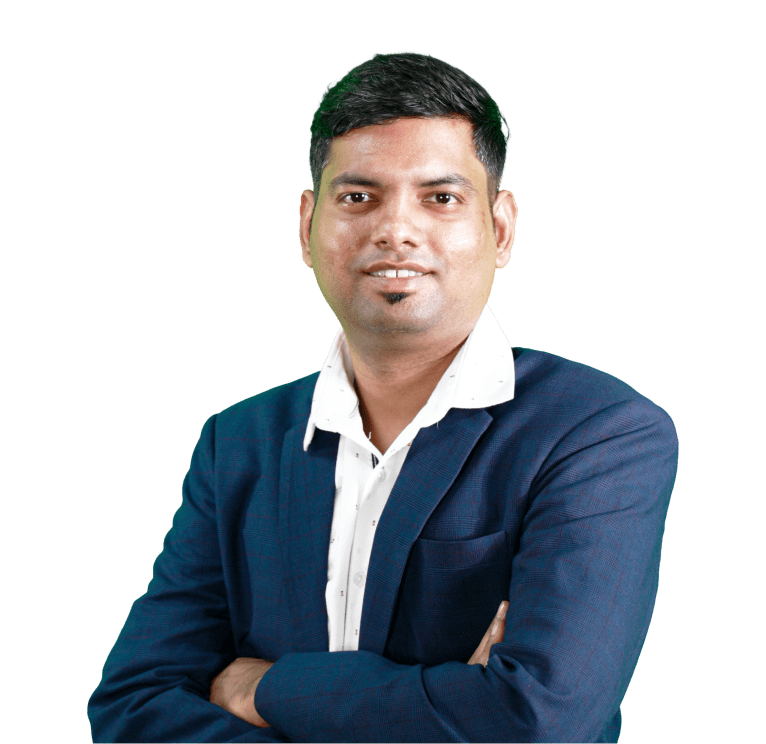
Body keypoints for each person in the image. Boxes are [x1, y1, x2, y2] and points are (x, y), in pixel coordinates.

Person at [88, 52, 678, 743]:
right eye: (358, 197)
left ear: (501, 229)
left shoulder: (598, 435)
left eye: (441, 198)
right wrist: (452, 704)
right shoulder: (239, 442)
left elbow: (534, 719)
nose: (395, 229)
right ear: (307, 227)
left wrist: (267, 688)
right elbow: (133, 703)